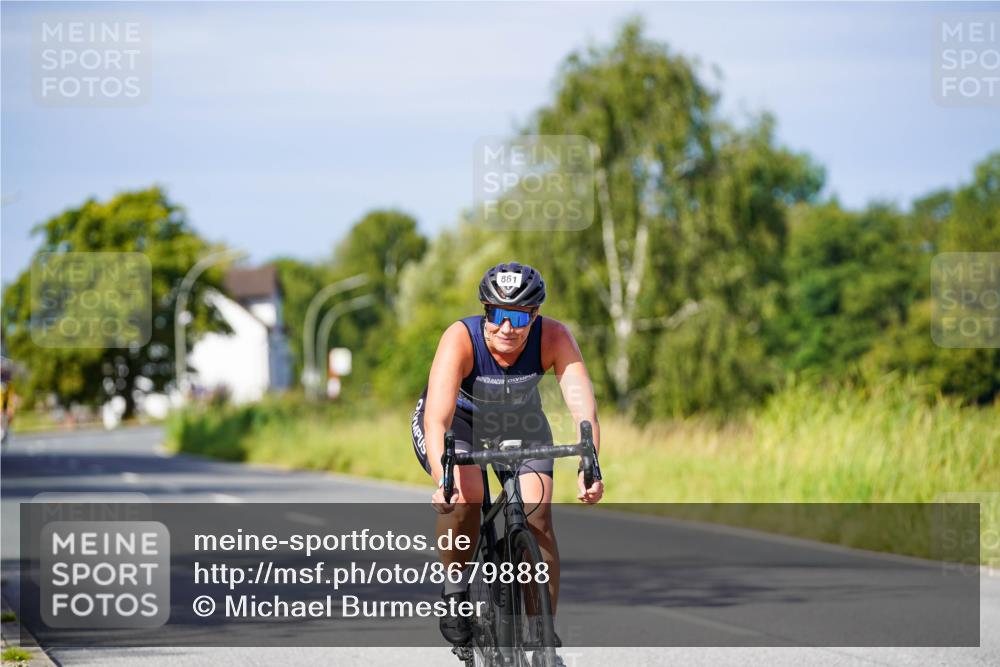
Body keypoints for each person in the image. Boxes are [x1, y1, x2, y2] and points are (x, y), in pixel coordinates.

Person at [410, 261, 605, 652]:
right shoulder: (461, 339)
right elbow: (437, 419)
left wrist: (591, 464)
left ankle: (541, 637)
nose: (507, 327)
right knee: (467, 499)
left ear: (534, 316)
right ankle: (456, 589)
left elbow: (584, 410)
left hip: (520, 423)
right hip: (459, 425)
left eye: (518, 317)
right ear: (486, 311)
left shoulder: (554, 337)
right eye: (498, 315)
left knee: (537, 514)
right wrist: (442, 480)